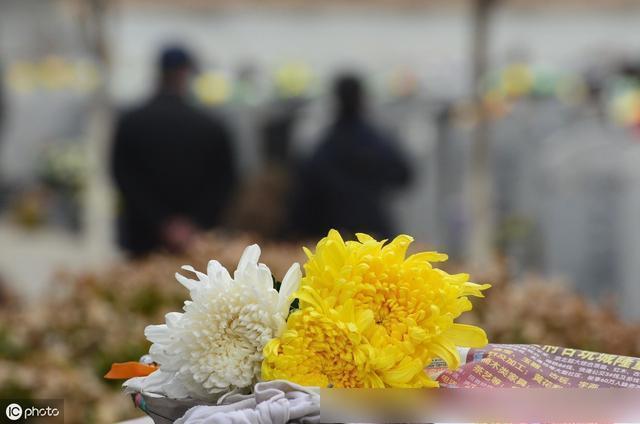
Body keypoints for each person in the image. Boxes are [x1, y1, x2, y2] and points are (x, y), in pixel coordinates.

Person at [112, 45, 236, 256]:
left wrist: (161, 221)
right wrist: (193, 222)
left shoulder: (131, 122)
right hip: (198, 240)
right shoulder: (210, 126)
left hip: (142, 238)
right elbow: (225, 180)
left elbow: (122, 175)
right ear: (186, 73)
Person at [289, 73, 412, 239]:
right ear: (362, 99)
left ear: (336, 100)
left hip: (333, 232)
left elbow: (305, 193)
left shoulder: (325, 145)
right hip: (374, 229)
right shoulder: (376, 142)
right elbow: (404, 175)